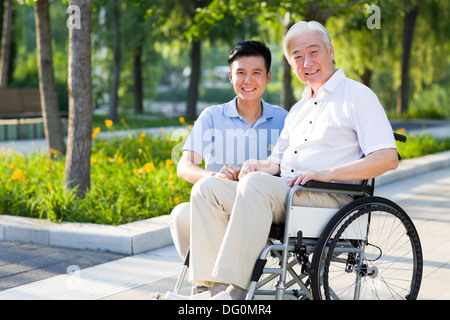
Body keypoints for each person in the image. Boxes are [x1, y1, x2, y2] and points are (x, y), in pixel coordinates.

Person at [168, 21, 399, 301]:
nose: (306, 62)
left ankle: (235, 293)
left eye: (313, 52)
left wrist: (327, 173)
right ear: (291, 65)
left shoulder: (357, 96)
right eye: (297, 57)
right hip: (291, 193)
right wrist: (253, 166)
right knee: (207, 190)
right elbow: (275, 163)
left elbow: (388, 158)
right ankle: (212, 290)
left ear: (330, 51)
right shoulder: (299, 110)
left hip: (330, 198)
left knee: (255, 185)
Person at [168, 40, 288, 290]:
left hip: (260, 207)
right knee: (180, 215)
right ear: (230, 76)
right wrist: (215, 175)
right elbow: (184, 167)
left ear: (268, 77)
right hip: (217, 201)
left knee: (209, 194)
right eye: (241, 73)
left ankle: (214, 291)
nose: (248, 81)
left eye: (256, 73)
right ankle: (209, 287)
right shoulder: (212, 116)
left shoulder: (283, 119)